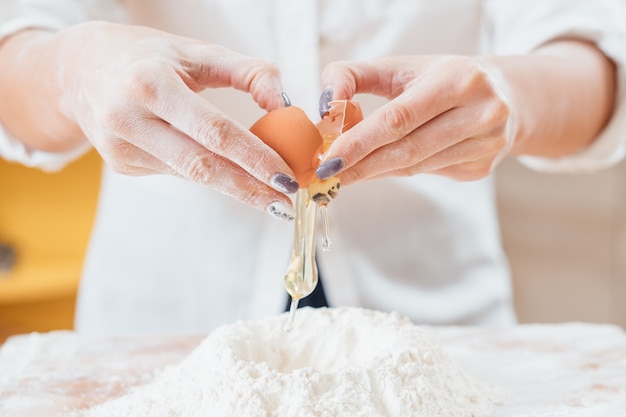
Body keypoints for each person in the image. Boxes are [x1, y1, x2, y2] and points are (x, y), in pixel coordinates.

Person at [0, 0, 624, 335]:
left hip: (433, 318)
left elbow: (593, 57)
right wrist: (74, 70)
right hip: (165, 322)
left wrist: (514, 98)